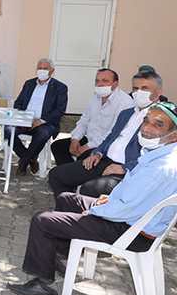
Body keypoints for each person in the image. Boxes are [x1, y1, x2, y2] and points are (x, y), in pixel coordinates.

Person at [6, 102, 177, 295]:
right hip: (133, 219)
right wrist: (108, 200)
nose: (147, 128)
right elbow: (131, 195)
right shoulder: (159, 155)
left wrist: (95, 210)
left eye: (158, 125)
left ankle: (42, 282)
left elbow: (125, 208)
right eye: (146, 121)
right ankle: (58, 257)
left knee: (42, 221)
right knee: (67, 199)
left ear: (173, 135)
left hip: (130, 231)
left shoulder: (160, 168)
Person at [48, 69, 164, 199]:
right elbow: (110, 136)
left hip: (127, 169)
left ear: (158, 92)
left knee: (89, 189)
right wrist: (97, 153)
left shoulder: (162, 119)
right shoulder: (127, 113)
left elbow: (160, 154)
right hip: (104, 159)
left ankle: (80, 206)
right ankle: (69, 206)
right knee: (56, 175)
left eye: (145, 88)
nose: (138, 92)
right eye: (135, 88)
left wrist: (125, 167)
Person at [50, 68, 133, 166]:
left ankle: (72, 171)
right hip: (90, 139)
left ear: (115, 84)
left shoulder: (124, 102)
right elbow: (84, 120)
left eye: (105, 81)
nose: (100, 84)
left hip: (106, 145)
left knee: (84, 157)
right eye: (97, 81)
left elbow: (114, 133)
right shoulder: (96, 97)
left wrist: (87, 147)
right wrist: (75, 139)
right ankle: (66, 172)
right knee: (57, 146)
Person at [5, 58, 68, 175]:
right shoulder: (29, 83)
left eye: (45, 68)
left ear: (52, 71)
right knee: (8, 130)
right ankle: (30, 159)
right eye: (39, 68)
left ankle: (23, 162)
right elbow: (18, 103)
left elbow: (60, 110)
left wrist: (41, 121)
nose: (41, 70)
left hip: (45, 123)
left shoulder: (60, 87)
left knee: (42, 133)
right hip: (24, 120)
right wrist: (24, 118)